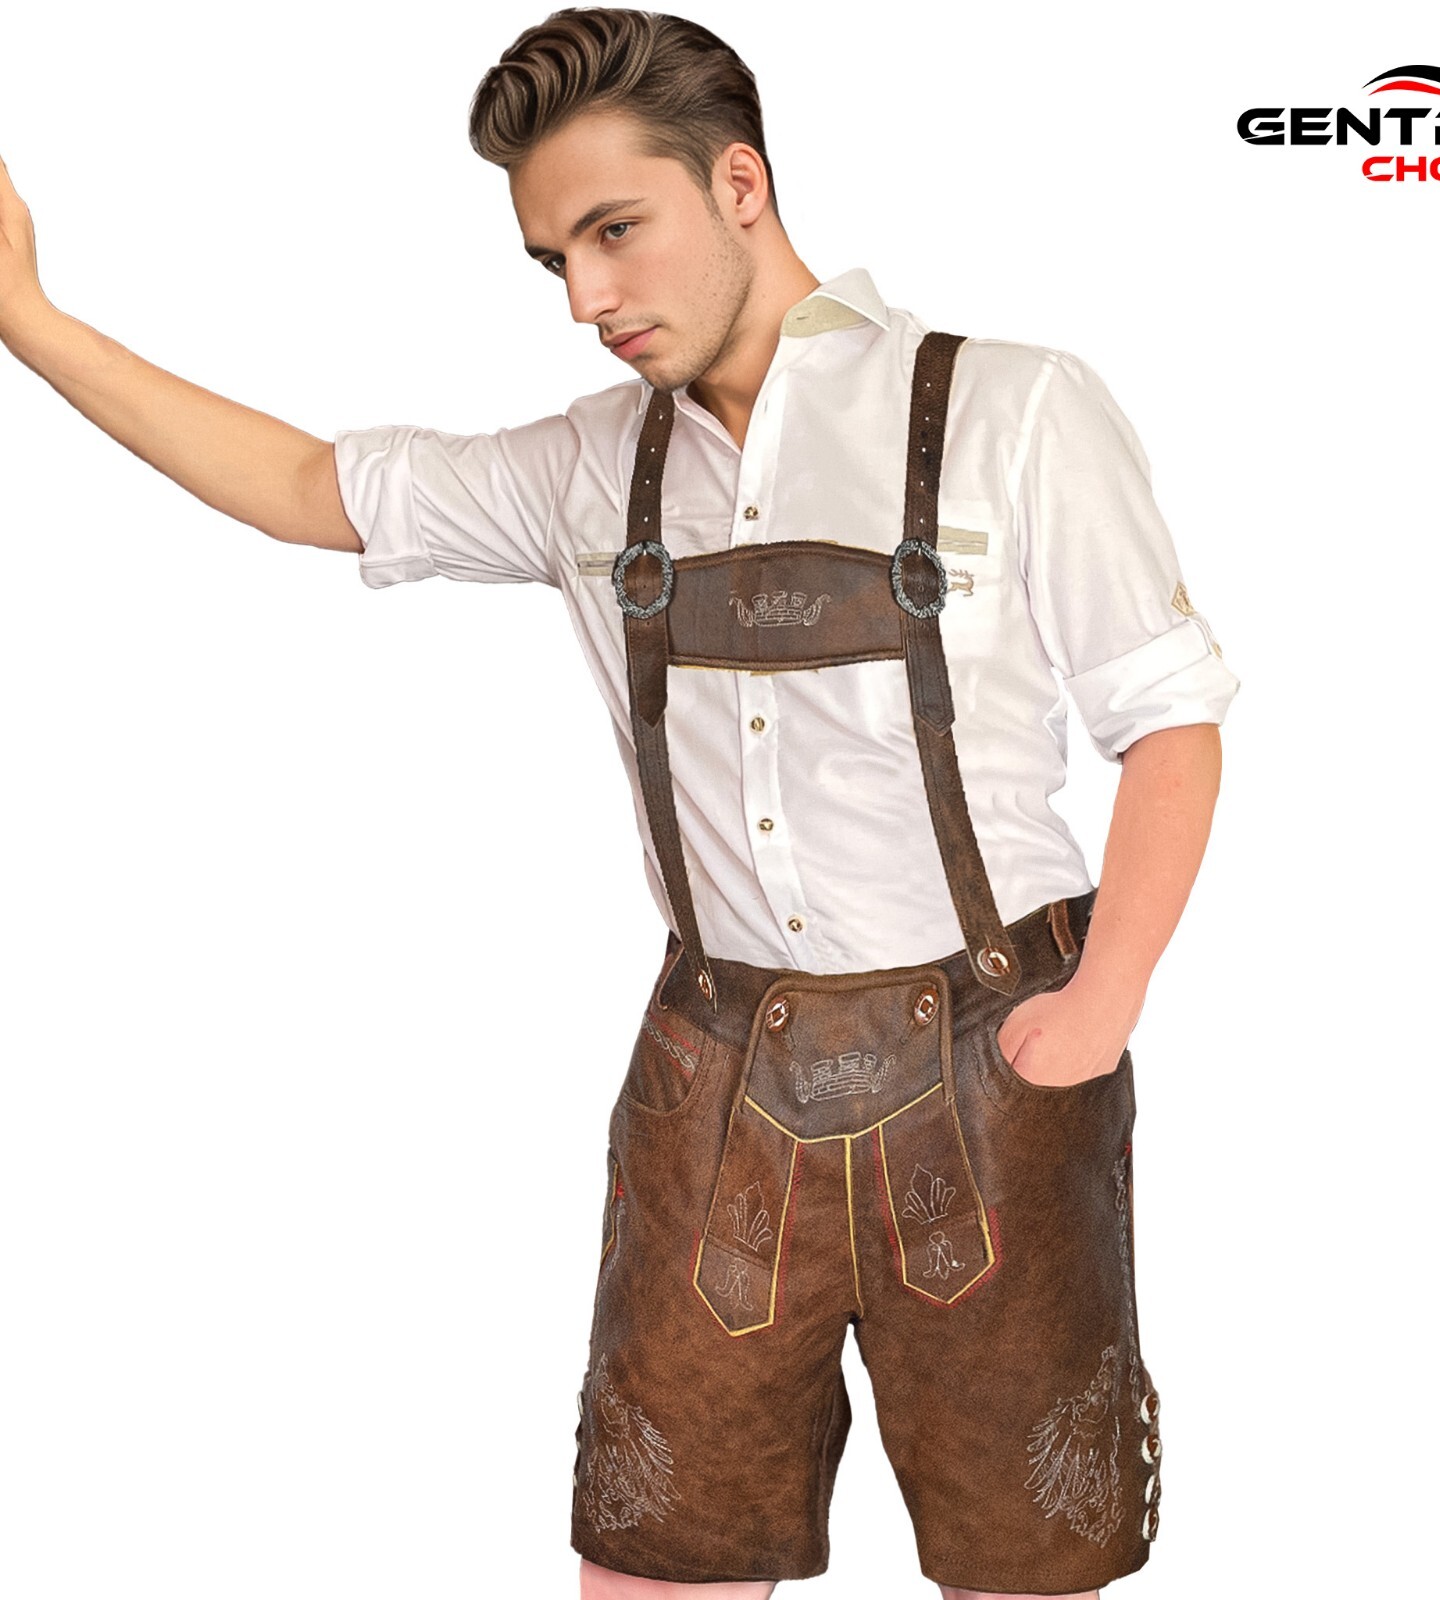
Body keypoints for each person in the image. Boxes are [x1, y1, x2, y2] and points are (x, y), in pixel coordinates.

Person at [0, 8, 1238, 1597]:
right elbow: (311, 489)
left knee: (1024, 1569)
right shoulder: (591, 467)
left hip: (995, 1058)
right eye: (553, 260)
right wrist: (29, 319)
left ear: (741, 185)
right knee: (656, 1559)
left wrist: (1104, 1003)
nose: (586, 300)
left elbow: (1169, 718)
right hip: (714, 1074)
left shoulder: (1015, 408)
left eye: (613, 232)